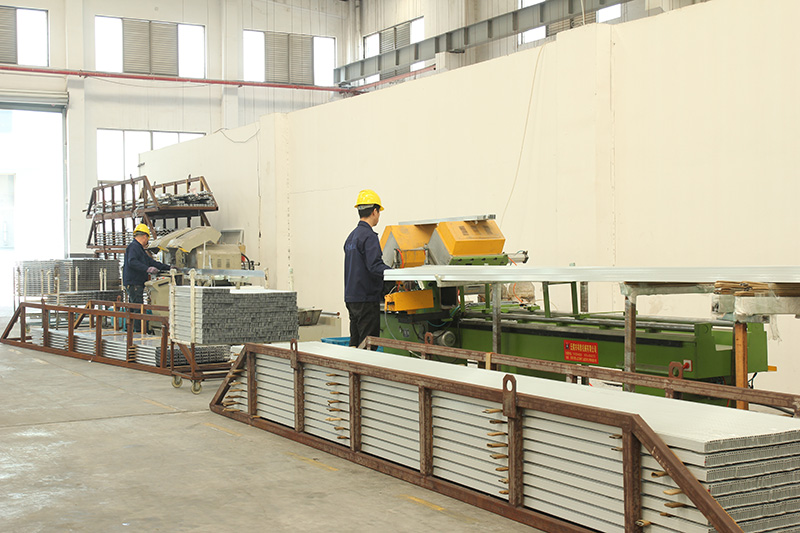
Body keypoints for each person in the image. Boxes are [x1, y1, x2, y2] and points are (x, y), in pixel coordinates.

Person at [344, 190, 391, 349]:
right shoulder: (369, 236)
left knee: (355, 342)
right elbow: (374, 266)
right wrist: (396, 274)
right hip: (366, 299)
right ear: (374, 211)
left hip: (351, 298)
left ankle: (352, 365)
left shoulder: (351, 237)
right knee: (368, 345)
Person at [122, 223, 170, 307]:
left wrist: (168, 267)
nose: (147, 241)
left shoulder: (139, 249)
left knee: (135, 308)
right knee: (138, 309)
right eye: (148, 238)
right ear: (145, 236)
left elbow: (151, 262)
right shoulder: (134, 247)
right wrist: (147, 269)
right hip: (134, 283)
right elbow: (132, 262)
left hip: (136, 283)